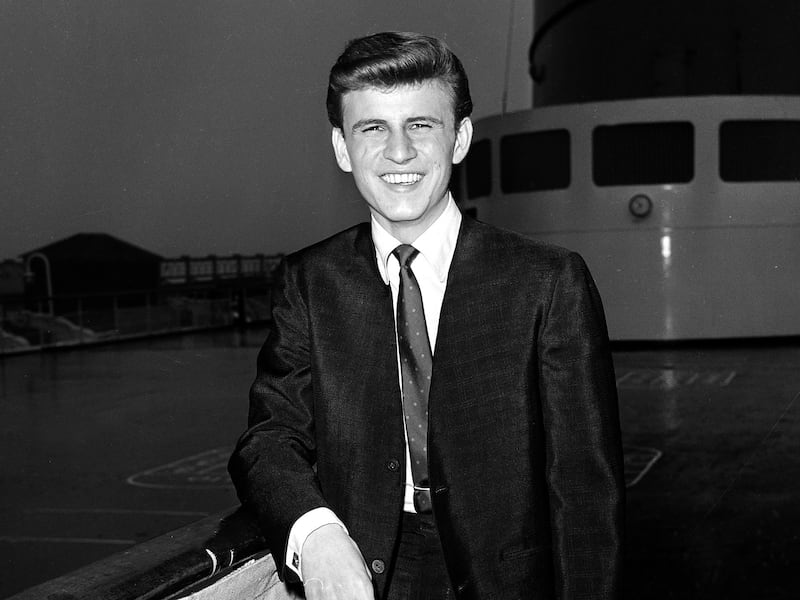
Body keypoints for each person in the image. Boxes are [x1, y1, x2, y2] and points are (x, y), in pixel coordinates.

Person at [229, 31, 625, 600]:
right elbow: (268, 438)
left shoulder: (547, 281)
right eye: (373, 128)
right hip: (369, 574)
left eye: (421, 124)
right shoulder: (309, 283)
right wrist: (316, 537)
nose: (399, 152)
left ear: (460, 137)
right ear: (341, 148)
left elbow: (586, 489)